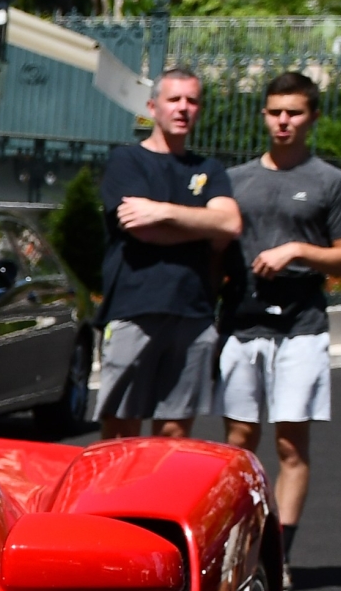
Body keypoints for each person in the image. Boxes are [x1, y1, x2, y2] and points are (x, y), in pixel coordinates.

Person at [219, 70, 341, 591]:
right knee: (238, 442)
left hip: (301, 329)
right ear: (264, 115)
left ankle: (276, 556)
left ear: (313, 117)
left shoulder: (331, 181)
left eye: (295, 112)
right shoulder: (234, 179)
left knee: (290, 447)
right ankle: (236, 549)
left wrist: (299, 250)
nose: (284, 121)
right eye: (276, 111)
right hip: (242, 325)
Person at [95, 68, 243, 439]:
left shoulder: (209, 170)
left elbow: (230, 225)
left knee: (175, 435)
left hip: (193, 313)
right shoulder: (126, 161)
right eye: (174, 100)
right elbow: (139, 228)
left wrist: (164, 212)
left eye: (192, 101)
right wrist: (201, 225)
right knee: (120, 432)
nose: (183, 109)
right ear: (152, 106)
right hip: (134, 310)